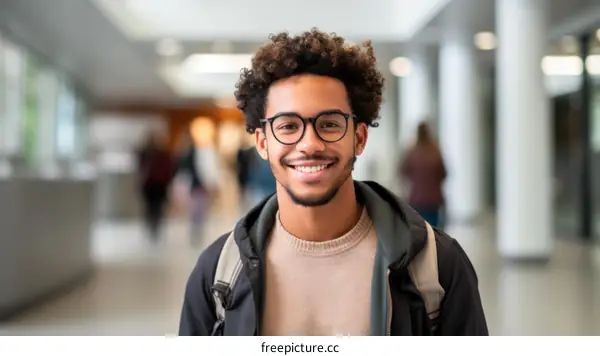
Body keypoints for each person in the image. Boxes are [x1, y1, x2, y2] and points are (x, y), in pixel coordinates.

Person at [179, 29, 488, 336]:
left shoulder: (438, 268)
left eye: (329, 124)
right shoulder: (218, 274)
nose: (310, 144)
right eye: (288, 126)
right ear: (262, 143)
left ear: (359, 138)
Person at [400, 122, 447, 228]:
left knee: (420, 231)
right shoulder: (435, 152)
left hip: (416, 199)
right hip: (433, 199)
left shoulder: (411, 152)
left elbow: (403, 172)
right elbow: (444, 174)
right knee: (434, 230)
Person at [136, 130, 174, 241]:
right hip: (154, 185)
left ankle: (153, 226)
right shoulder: (146, 153)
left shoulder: (161, 154)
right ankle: (153, 226)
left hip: (157, 185)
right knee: (153, 207)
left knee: (154, 207)